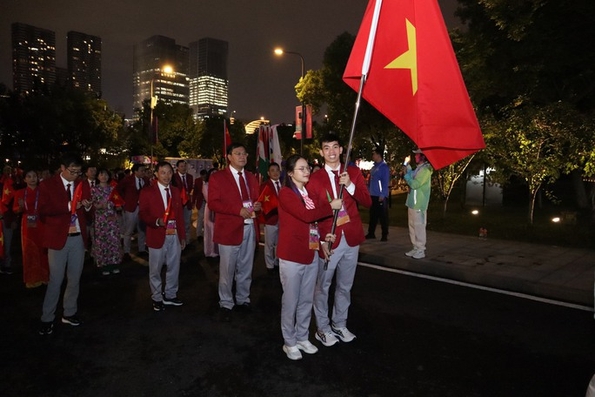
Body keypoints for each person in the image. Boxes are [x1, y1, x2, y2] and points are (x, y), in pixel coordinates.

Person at [307, 133, 372, 347]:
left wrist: (351, 186)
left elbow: (367, 201)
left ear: (342, 149)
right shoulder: (315, 179)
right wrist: (319, 242)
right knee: (322, 287)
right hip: (329, 241)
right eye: (327, 148)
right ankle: (322, 328)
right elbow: (311, 215)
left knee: (345, 286)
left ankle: (339, 323)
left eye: (335, 147)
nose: (331, 152)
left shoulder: (352, 172)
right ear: (321, 152)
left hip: (351, 238)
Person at [277, 154, 342, 360]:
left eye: (307, 168)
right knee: (291, 301)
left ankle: (303, 337)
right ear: (290, 173)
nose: (307, 172)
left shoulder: (308, 195)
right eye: (301, 169)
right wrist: (330, 206)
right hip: (292, 256)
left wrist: (323, 240)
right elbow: (305, 216)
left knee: (306, 299)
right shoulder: (286, 193)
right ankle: (289, 342)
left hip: (310, 253)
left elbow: (311, 225)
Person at [38, 153, 92, 335]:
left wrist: (87, 206)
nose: (75, 175)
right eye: (72, 171)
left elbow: (88, 214)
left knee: (75, 278)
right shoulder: (47, 185)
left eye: (78, 172)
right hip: (57, 238)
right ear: (62, 168)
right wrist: (69, 206)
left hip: (77, 237)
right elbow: (43, 210)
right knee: (56, 280)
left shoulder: (82, 184)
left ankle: (69, 312)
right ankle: (47, 317)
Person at [208, 143, 261, 321]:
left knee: (246, 267)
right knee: (227, 269)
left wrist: (258, 205)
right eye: (238, 153)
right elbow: (213, 203)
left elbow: (255, 199)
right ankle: (226, 302)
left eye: (244, 154)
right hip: (229, 230)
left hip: (249, 227)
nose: (242, 157)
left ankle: (243, 298)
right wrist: (237, 210)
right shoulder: (218, 178)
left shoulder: (252, 177)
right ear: (229, 157)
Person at [139, 161, 186, 311]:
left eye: (169, 172)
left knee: (174, 266)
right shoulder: (147, 191)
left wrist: (183, 236)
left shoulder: (176, 191)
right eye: (163, 172)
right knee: (156, 269)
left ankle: (171, 294)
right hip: (156, 233)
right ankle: (157, 296)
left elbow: (180, 216)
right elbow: (143, 214)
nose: (167, 175)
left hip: (174, 234)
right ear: (156, 174)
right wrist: (156, 221)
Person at [12, 169, 49, 287]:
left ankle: (45, 276)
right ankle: (32, 278)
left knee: (44, 249)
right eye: (29, 176)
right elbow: (15, 209)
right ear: (24, 179)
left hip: (42, 222)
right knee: (29, 249)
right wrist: (21, 207)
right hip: (28, 224)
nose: (32, 178)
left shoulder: (43, 191)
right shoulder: (20, 193)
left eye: (34, 176)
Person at [402, 149, 433, 259]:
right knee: (412, 227)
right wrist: (407, 167)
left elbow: (415, 184)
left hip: (419, 204)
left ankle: (421, 249)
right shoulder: (419, 169)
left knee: (419, 226)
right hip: (412, 203)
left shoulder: (426, 170)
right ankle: (415, 247)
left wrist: (406, 175)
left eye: (417, 154)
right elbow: (412, 174)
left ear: (423, 156)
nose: (415, 156)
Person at [91, 168, 123, 275]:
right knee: (102, 242)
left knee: (113, 241)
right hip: (101, 220)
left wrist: (118, 207)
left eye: (105, 175)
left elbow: (118, 202)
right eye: (101, 175)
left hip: (112, 218)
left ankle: (114, 264)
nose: (103, 177)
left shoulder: (113, 189)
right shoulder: (94, 190)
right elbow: (91, 205)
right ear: (98, 177)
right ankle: (103, 265)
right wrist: (99, 206)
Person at [117, 163, 148, 260]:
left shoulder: (146, 180)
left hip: (142, 207)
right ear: (135, 171)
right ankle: (126, 251)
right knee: (129, 230)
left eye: (144, 171)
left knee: (142, 229)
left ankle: (142, 249)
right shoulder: (127, 180)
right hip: (131, 207)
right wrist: (124, 201)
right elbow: (118, 190)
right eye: (141, 171)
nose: (143, 172)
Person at [259, 162, 282, 274]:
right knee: (269, 243)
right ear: (268, 173)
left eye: (277, 170)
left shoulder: (285, 184)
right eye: (272, 170)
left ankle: (277, 261)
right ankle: (269, 265)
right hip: (270, 219)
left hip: (282, 219)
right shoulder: (265, 185)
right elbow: (261, 202)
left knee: (280, 243)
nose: (275, 172)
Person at [365, 148, 390, 241]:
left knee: (383, 216)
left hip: (380, 196)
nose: (373, 156)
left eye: (374, 154)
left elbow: (385, 181)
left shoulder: (384, 167)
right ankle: (371, 233)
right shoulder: (374, 167)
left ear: (378, 155)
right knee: (373, 215)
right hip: (373, 195)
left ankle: (384, 234)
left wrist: (383, 194)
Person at [172, 159, 194, 245]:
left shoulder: (190, 177)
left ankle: (186, 242)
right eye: (181, 166)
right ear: (177, 167)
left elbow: (190, 190)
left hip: (187, 203)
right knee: (177, 224)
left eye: (185, 166)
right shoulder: (174, 177)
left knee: (187, 224)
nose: (183, 168)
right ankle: (178, 242)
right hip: (178, 204)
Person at [202, 168, 218, 258]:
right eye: (212, 174)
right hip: (210, 209)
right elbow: (209, 199)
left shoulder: (220, 185)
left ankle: (217, 250)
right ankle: (210, 251)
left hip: (219, 210)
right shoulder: (206, 185)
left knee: (217, 230)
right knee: (210, 230)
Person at [192, 169, 207, 240]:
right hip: (201, 202)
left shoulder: (209, 180)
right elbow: (195, 192)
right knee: (200, 217)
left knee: (207, 218)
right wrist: (193, 202)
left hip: (208, 202)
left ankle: (206, 233)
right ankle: (198, 234)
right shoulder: (197, 181)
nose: (203, 177)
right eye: (202, 176)